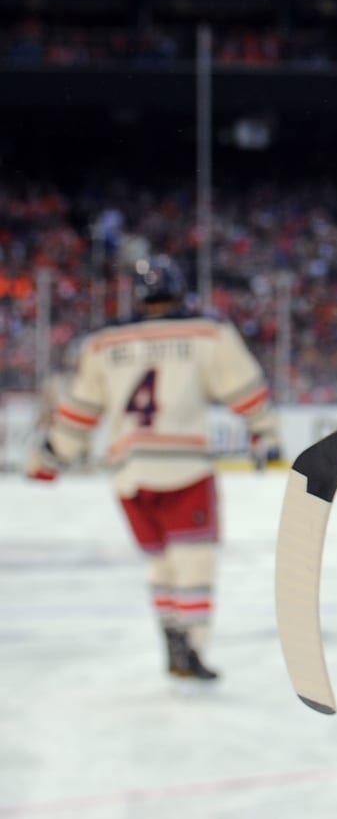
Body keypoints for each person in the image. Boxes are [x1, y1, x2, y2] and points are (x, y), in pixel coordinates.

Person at [25, 256, 279, 682]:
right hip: (185, 466)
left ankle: (171, 637)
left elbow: (79, 413)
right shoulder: (208, 334)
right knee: (194, 561)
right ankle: (192, 646)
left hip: (129, 473)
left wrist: (52, 457)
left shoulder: (103, 344)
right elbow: (246, 390)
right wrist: (264, 434)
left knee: (159, 563)